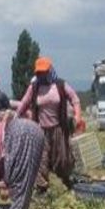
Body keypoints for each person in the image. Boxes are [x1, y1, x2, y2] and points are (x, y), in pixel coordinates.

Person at [16, 57, 85, 192]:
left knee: (62, 159)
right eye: (39, 73)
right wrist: (16, 115)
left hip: (59, 128)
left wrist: (77, 116)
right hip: (41, 130)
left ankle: (66, 181)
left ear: (49, 70)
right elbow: (24, 102)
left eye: (44, 72)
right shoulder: (34, 87)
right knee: (41, 159)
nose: (41, 75)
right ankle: (42, 188)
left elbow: (75, 99)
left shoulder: (60, 85)